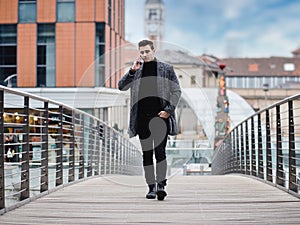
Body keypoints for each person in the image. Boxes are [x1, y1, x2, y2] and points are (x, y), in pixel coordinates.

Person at [118, 40, 181, 200]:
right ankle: (151, 187)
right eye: (142, 52)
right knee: (147, 154)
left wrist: (168, 111)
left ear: (154, 50)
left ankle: (161, 185)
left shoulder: (166, 69)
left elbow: (176, 91)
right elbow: (121, 86)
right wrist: (132, 70)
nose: (144, 55)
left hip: (160, 118)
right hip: (141, 119)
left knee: (160, 153)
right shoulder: (136, 70)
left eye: (147, 51)